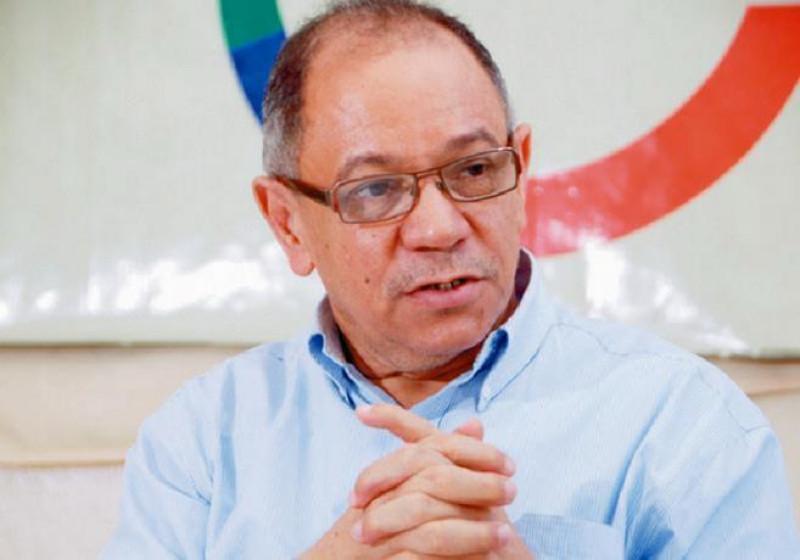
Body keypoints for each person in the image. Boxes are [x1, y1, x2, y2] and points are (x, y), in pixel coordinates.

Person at [103, 1, 800, 558]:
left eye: (473, 170)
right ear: (287, 223)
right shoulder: (202, 442)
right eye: (375, 189)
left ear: (521, 167)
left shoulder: (686, 423)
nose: (439, 228)